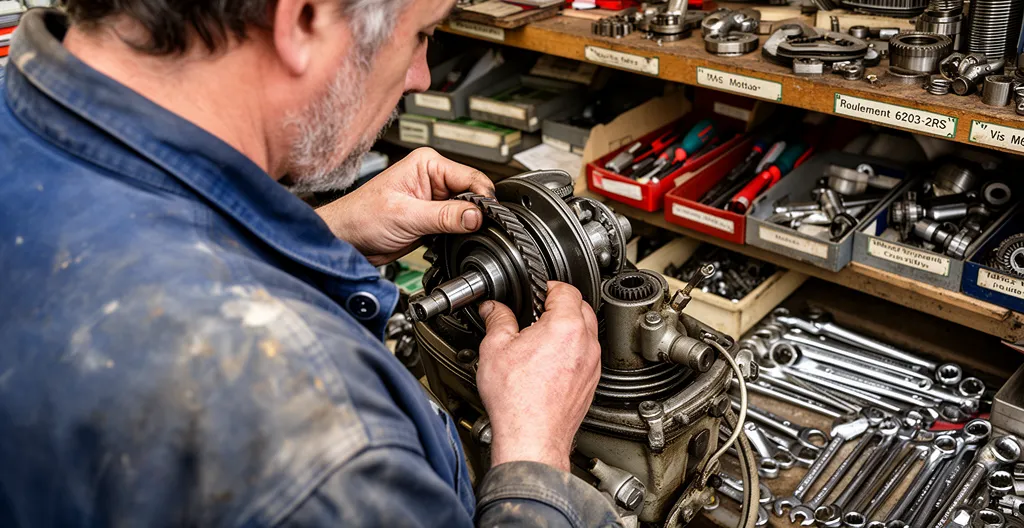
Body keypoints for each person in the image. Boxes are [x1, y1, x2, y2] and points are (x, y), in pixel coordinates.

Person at [0, 0, 623, 526]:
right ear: (303, 19)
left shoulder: (20, 121)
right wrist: (533, 455)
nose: (422, 77)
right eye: (420, 35)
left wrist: (327, 235)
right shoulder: (331, 449)